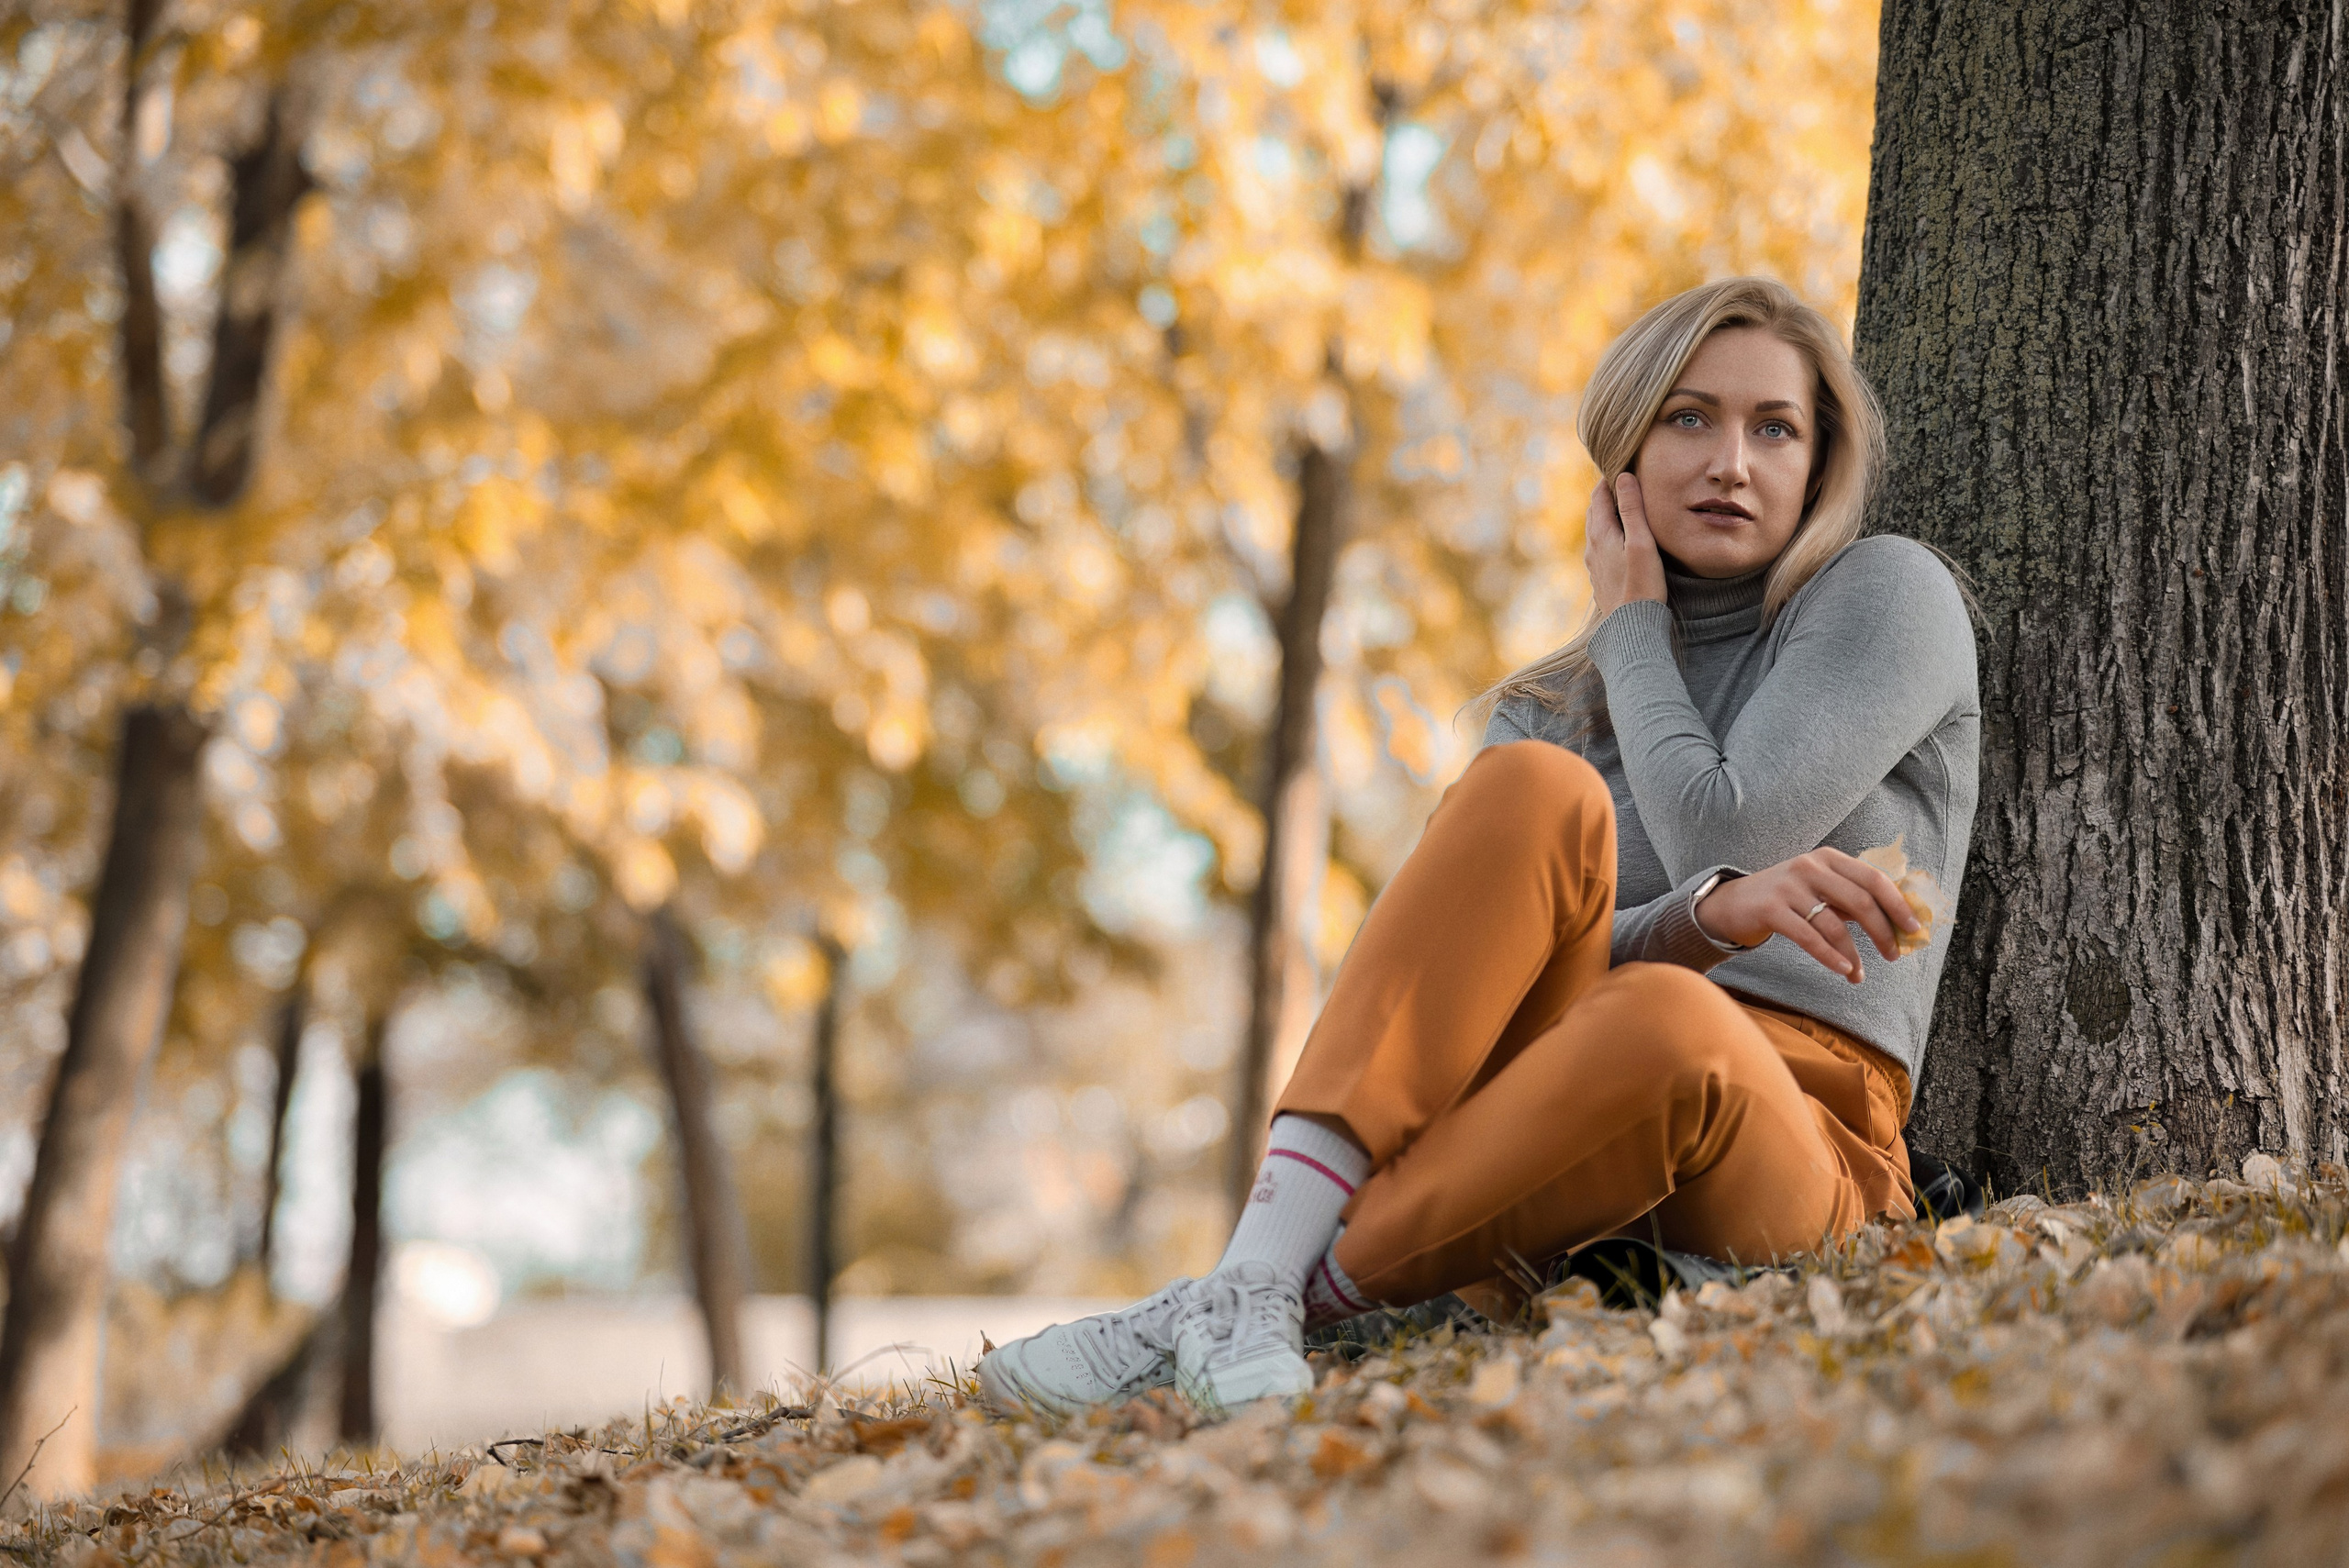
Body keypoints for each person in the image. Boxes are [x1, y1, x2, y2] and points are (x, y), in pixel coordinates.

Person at [977, 276, 1980, 1418]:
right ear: (1625, 447)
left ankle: (1253, 1296)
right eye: (1688, 418)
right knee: (1530, 789)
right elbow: (1461, 988)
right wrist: (1695, 922)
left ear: (1819, 461)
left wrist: (1628, 630)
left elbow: (1725, 822)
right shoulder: (1546, 707)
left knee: (1667, 1018)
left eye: (1774, 428)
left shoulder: (1885, 594)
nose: (1730, 462)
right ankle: (1251, 1278)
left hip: (1793, 1139)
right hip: (1533, 1125)